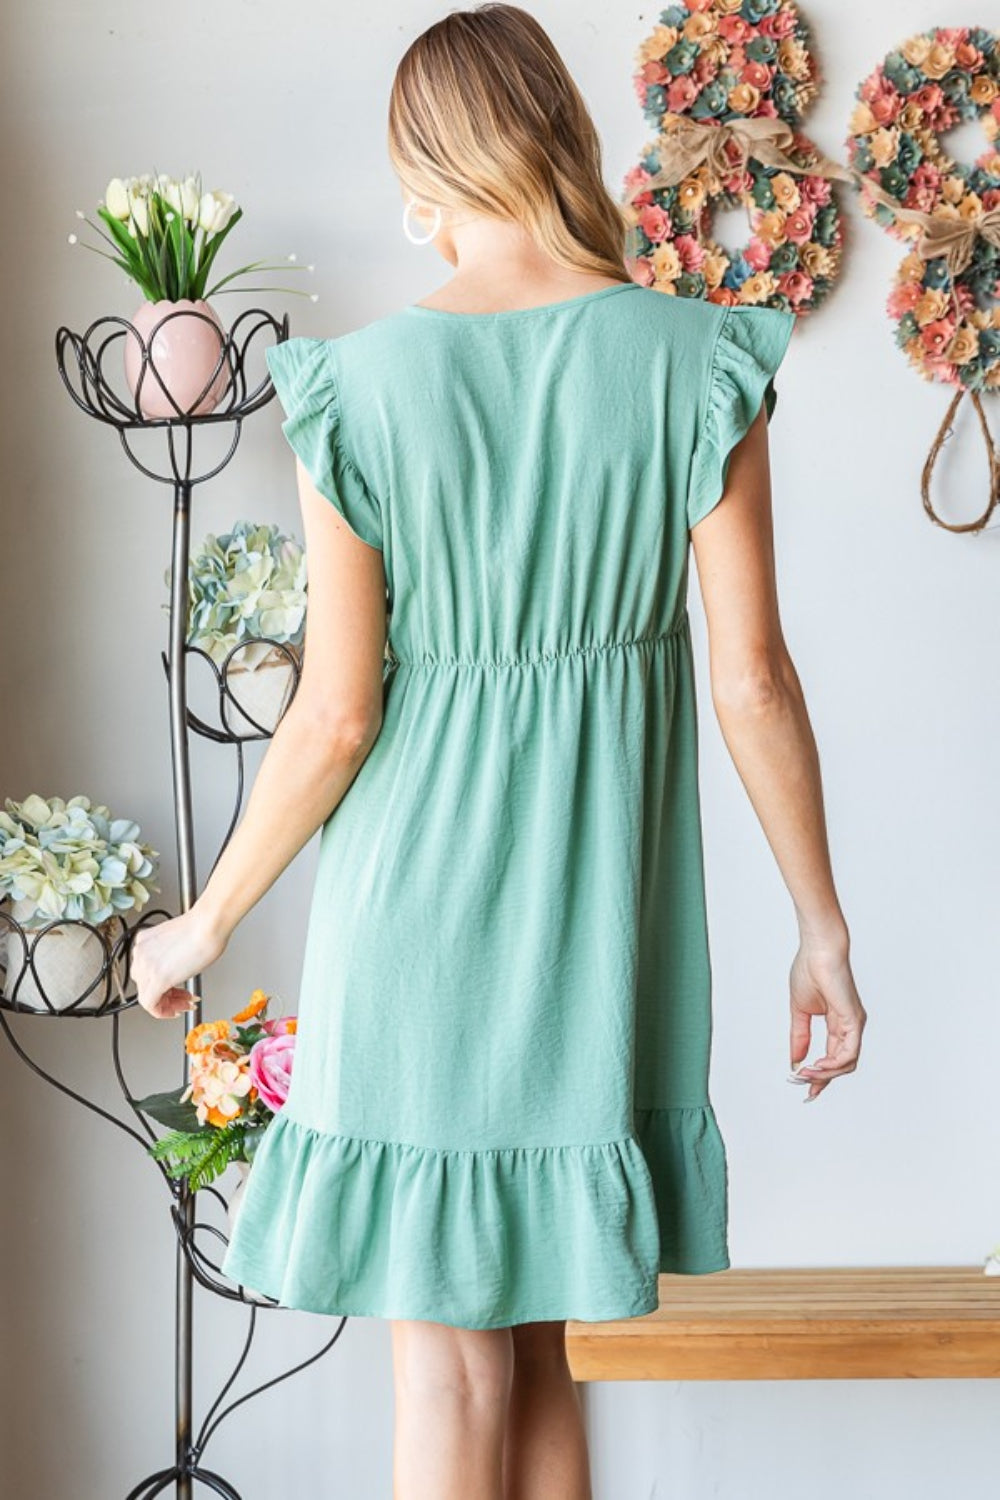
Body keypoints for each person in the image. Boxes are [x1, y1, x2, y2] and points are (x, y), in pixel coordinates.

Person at [130, 5, 867, 1497]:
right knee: (534, 1352)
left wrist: (202, 921)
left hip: (416, 929)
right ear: (564, 131)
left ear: (425, 167)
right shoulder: (699, 359)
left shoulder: (358, 388)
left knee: (451, 1362)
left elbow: (336, 717)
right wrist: (820, 928)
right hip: (601, 937)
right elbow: (755, 680)